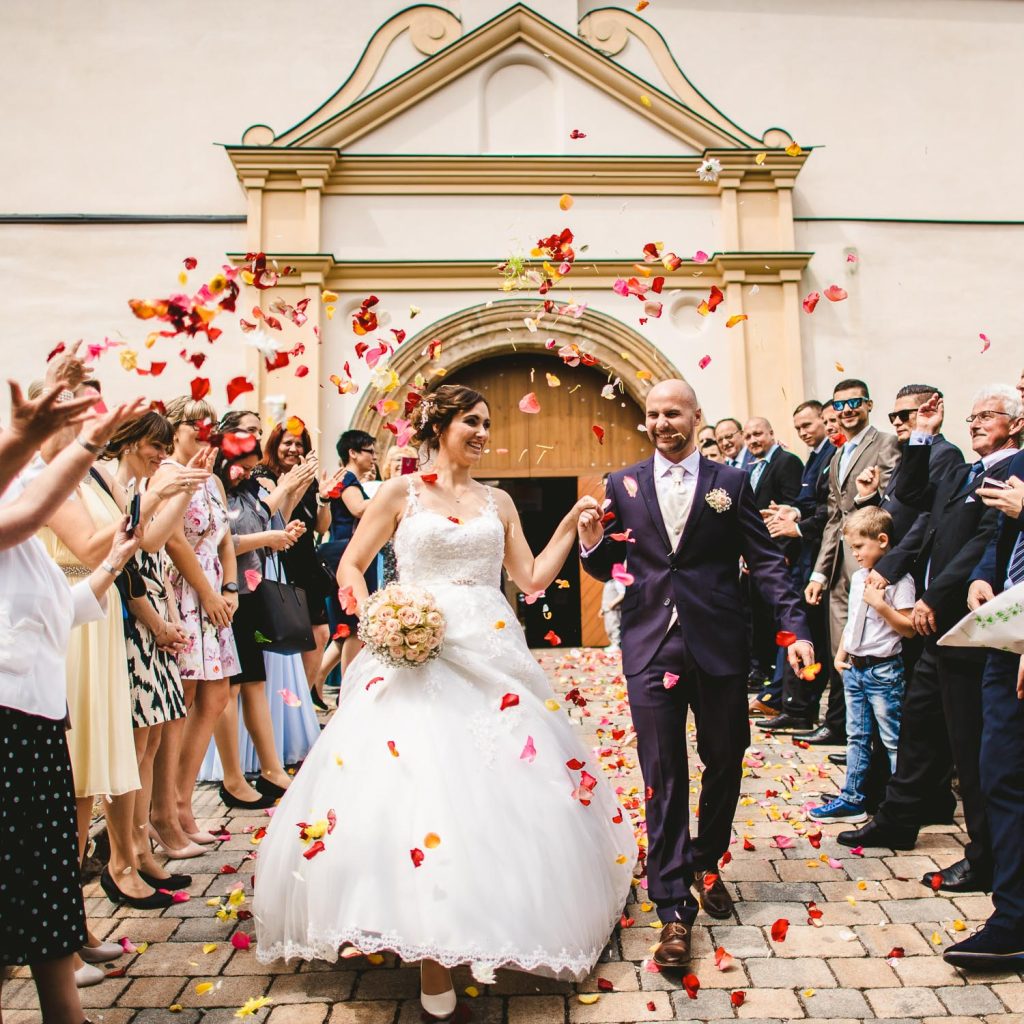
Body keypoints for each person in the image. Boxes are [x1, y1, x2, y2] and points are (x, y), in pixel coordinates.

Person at [253, 385, 635, 1015]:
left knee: (495, 789)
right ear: (439, 425)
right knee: (414, 785)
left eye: (488, 422)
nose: (483, 432)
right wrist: (381, 611)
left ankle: (481, 921)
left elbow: (532, 580)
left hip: (489, 653)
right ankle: (423, 943)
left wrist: (569, 525)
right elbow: (352, 565)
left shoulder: (500, 501)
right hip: (412, 651)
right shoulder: (398, 493)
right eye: (471, 422)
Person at [579, 378, 813, 968]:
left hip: (719, 644)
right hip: (651, 645)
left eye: (673, 413)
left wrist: (796, 631)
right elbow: (615, 564)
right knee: (662, 771)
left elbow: (765, 561)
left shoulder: (731, 484)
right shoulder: (622, 484)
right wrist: (590, 547)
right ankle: (672, 908)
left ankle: (707, 858)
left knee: (725, 755)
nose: (662, 423)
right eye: (653, 415)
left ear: (697, 417)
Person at [838, 387, 1023, 883]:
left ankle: (986, 858)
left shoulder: (1015, 472)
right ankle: (898, 820)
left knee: (970, 745)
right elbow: (915, 509)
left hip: (969, 624)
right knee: (919, 727)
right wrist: (920, 434)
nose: (977, 422)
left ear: (1017, 423)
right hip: (937, 622)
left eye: (989, 415)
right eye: (974, 414)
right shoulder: (965, 472)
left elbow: (983, 545)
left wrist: (933, 598)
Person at [0, 380, 145, 1016]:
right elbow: (31, 512)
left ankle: (67, 1013)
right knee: (23, 874)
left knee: (46, 871)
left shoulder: (24, 544)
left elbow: (65, 605)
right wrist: (78, 440)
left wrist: (115, 562)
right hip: (7, 718)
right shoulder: (20, 513)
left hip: (33, 715)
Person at [98, 412, 211, 881]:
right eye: (156, 445)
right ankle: (127, 852)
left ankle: (141, 847)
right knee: (135, 741)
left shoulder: (133, 484)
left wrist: (178, 489)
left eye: (166, 447)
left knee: (153, 737)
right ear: (128, 441)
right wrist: (164, 491)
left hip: (155, 608)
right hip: (132, 613)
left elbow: (153, 540)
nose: (162, 455)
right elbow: (135, 547)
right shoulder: (109, 481)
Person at [154, 396, 240, 847]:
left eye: (210, 428)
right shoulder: (166, 473)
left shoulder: (212, 480)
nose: (204, 434)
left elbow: (224, 537)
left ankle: (185, 802)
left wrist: (229, 587)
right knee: (182, 701)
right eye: (196, 427)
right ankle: (165, 808)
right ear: (175, 428)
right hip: (184, 592)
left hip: (213, 596)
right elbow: (171, 541)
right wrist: (206, 594)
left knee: (217, 697)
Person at [951, 443, 1024, 966]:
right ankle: (1013, 915)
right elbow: (1002, 534)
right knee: (1001, 773)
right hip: (1009, 635)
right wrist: (983, 574)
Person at [801, 379, 900, 745]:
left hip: (872, 562)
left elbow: (893, 500)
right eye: (840, 404)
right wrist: (819, 572)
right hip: (840, 568)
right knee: (840, 652)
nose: (847, 410)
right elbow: (832, 518)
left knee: (871, 653)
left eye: (855, 402)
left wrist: (872, 495)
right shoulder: (837, 456)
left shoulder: (886, 443)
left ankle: (874, 742)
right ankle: (850, 731)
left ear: (868, 404)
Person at [212, 432, 305, 809]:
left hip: (249, 592)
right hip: (224, 594)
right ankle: (232, 778)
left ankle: (272, 769)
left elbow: (265, 523)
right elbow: (225, 541)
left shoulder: (250, 491)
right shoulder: (217, 489)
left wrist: (282, 530)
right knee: (228, 690)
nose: (249, 471)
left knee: (254, 683)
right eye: (244, 464)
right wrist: (269, 535)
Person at [809, 507, 915, 823]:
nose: (855, 554)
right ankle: (852, 798)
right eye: (852, 548)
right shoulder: (858, 577)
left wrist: (881, 605)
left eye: (859, 547)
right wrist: (841, 655)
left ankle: (899, 807)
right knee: (856, 735)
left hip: (883, 670)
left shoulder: (900, 580)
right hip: (854, 667)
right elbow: (853, 620)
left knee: (892, 739)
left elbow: (908, 627)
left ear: (882, 540)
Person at [757, 400, 836, 731]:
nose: (804, 432)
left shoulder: (821, 455)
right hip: (805, 557)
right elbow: (807, 504)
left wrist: (797, 527)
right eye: (799, 427)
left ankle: (801, 706)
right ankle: (796, 705)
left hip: (817, 558)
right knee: (797, 629)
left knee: (809, 633)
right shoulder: (814, 456)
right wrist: (792, 511)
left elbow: (831, 510)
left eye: (809, 424)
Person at [255, 420, 343, 708]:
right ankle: (280, 705)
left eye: (299, 444)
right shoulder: (262, 476)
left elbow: (321, 526)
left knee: (320, 634)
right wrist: (291, 486)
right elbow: (273, 519)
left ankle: (300, 702)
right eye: (287, 443)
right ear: (275, 445)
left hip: (306, 560)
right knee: (289, 635)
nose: (293, 449)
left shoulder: (308, 481)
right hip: (280, 561)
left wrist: (324, 499)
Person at [742, 416, 804, 714]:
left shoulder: (786, 462)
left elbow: (791, 510)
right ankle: (770, 682)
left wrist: (783, 552)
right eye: (749, 436)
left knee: (783, 622)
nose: (753, 440)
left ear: (771, 434)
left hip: (779, 558)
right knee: (763, 623)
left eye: (758, 434)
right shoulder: (752, 469)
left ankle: (781, 694)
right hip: (757, 558)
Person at [313, 430, 379, 692]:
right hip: (350, 554)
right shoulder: (349, 479)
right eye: (369, 451)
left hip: (342, 552)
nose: (374, 457)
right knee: (355, 628)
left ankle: (316, 681)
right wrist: (390, 500)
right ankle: (349, 691)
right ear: (352, 453)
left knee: (345, 629)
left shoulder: (347, 478)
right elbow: (359, 509)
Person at [601, 577, 625, 650]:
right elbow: (606, 597)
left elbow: (622, 593)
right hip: (607, 609)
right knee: (609, 628)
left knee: (614, 626)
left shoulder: (617, 582)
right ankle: (613, 643)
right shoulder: (608, 582)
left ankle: (617, 644)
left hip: (614, 609)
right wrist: (602, 608)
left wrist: (614, 602)